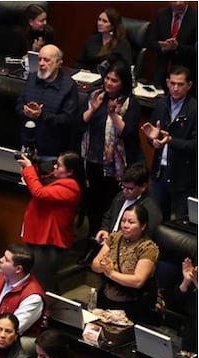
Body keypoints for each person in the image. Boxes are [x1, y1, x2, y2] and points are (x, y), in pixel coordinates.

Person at [80, 58, 141, 237]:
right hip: (92, 161)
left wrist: (113, 114)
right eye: (107, 78)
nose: (108, 83)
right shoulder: (95, 95)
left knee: (109, 207)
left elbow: (128, 134)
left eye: (114, 80)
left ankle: (106, 244)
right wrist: (93, 109)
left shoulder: (130, 104)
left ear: (123, 83)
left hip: (116, 168)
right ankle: (91, 242)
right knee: (93, 205)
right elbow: (80, 123)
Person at [17, 151, 83, 293]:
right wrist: (31, 166)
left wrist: (29, 169)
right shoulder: (59, 181)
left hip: (50, 242)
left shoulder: (71, 188)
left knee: (41, 283)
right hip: (41, 238)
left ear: (70, 171)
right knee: (42, 280)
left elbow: (39, 193)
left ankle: (47, 312)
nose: (54, 167)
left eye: (59, 166)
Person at [142, 66, 197, 223]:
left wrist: (171, 141)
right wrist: (153, 141)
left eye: (180, 84)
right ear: (167, 82)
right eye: (172, 83)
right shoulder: (161, 104)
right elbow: (153, 135)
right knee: (155, 220)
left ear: (189, 85)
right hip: (160, 173)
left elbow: (195, 145)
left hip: (183, 177)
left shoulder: (195, 109)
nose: (175, 88)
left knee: (181, 223)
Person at [91, 204, 159, 323]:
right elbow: (95, 265)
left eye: (131, 222)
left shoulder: (148, 248)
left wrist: (111, 272)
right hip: (106, 299)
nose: (125, 225)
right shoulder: (115, 237)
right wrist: (106, 269)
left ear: (143, 226)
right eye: (123, 221)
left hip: (131, 306)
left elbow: (137, 281)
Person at [92, 163, 163, 264]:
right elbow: (108, 216)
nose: (125, 191)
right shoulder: (120, 196)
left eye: (130, 189)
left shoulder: (151, 211)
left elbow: (145, 240)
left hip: (128, 254)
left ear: (143, 187)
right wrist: (105, 229)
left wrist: (115, 243)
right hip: (109, 244)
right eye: (123, 186)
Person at [16, 45, 78, 159]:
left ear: (58, 63)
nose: (41, 63)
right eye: (40, 59)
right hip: (27, 144)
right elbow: (19, 104)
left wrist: (41, 115)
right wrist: (25, 111)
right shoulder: (32, 78)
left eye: (46, 60)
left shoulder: (69, 86)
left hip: (52, 151)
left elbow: (68, 120)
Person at [0, 243, 46, 336]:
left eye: (6, 260)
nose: (0, 260)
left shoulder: (33, 297)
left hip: (14, 345)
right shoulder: (2, 277)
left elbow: (12, 328)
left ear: (18, 269)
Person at [150, 2, 197, 81]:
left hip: (186, 74)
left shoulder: (196, 17)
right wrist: (163, 47)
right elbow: (150, 42)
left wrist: (178, 47)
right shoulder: (161, 14)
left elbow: (196, 50)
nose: (178, 3)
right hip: (161, 73)